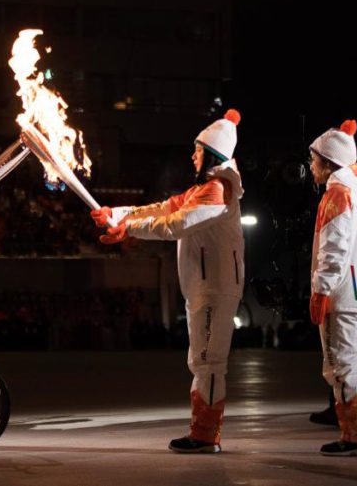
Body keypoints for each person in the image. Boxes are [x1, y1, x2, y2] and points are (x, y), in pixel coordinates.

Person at [91, 109, 244, 454]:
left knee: (208, 361)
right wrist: (115, 214)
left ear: (213, 154)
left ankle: (206, 435)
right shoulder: (202, 189)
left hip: (215, 288)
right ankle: (203, 432)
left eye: (198, 149)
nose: (193, 155)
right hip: (205, 287)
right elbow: (162, 209)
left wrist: (127, 228)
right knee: (202, 360)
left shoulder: (217, 190)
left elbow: (174, 225)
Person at [307, 119, 357, 456]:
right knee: (353, 364)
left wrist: (321, 291)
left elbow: (333, 248)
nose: (310, 167)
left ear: (330, 162)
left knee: (342, 366)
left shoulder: (339, 193)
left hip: (341, 293)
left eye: (314, 160)